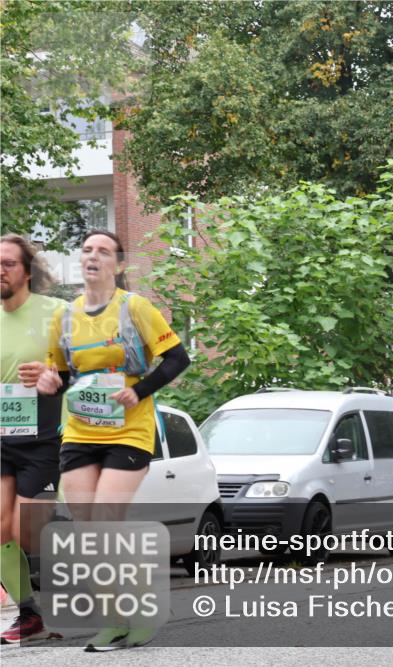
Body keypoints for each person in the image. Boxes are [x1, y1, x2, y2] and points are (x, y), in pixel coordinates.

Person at [35, 230, 190, 651]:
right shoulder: (64, 317)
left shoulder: (134, 307)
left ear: (118, 265)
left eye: (103, 251)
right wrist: (50, 380)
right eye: (86, 250)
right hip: (82, 431)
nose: (92, 256)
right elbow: (62, 374)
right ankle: (114, 620)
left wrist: (138, 391)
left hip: (129, 429)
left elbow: (178, 358)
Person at [0, 235, 66, 645]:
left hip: (43, 436)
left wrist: (54, 376)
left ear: (27, 270)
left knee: (27, 532)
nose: (0, 270)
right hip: (0, 436)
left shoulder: (57, 312)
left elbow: (88, 366)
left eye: (7, 263)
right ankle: (28, 613)